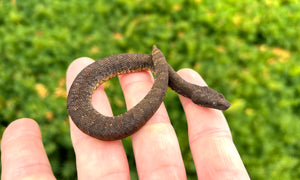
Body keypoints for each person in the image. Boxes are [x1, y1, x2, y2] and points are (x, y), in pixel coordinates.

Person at [1, 57, 250, 180]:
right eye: (216, 101)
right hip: (84, 105)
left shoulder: (168, 74)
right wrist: (160, 68)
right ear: (199, 98)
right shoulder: (159, 69)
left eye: (216, 102)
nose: (221, 105)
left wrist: (160, 68)